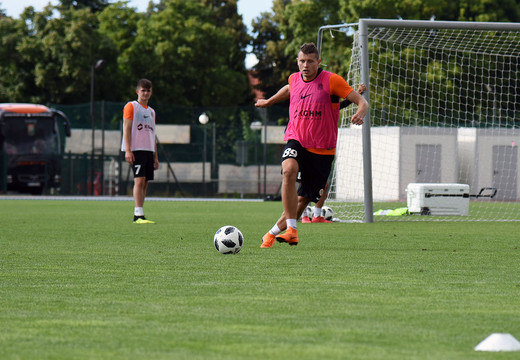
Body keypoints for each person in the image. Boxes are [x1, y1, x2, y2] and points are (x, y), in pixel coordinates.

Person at [255, 43, 368, 248]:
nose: (305, 65)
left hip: (322, 150)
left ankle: (271, 234)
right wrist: (269, 101)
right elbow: (290, 88)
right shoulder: (294, 78)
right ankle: (292, 230)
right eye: (301, 61)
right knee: (288, 170)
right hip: (296, 139)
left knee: (301, 202)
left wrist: (359, 114)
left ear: (318, 62)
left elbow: (362, 102)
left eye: (310, 61)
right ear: (297, 62)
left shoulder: (332, 80)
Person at [301, 83, 367, 223]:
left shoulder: (332, 108)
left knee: (324, 184)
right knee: (306, 182)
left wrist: (357, 94)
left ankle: (317, 215)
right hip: (306, 147)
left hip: (324, 148)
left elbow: (342, 104)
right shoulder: (313, 107)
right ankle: (304, 215)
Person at [121, 78, 159, 224]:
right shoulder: (132, 106)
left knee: (145, 182)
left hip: (148, 150)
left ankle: (141, 213)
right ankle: (137, 215)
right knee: (139, 180)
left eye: (148, 90)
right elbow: (127, 128)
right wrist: (128, 150)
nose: (145, 93)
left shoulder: (151, 112)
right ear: (138, 91)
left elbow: (153, 134)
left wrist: (156, 156)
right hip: (137, 149)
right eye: (143, 90)